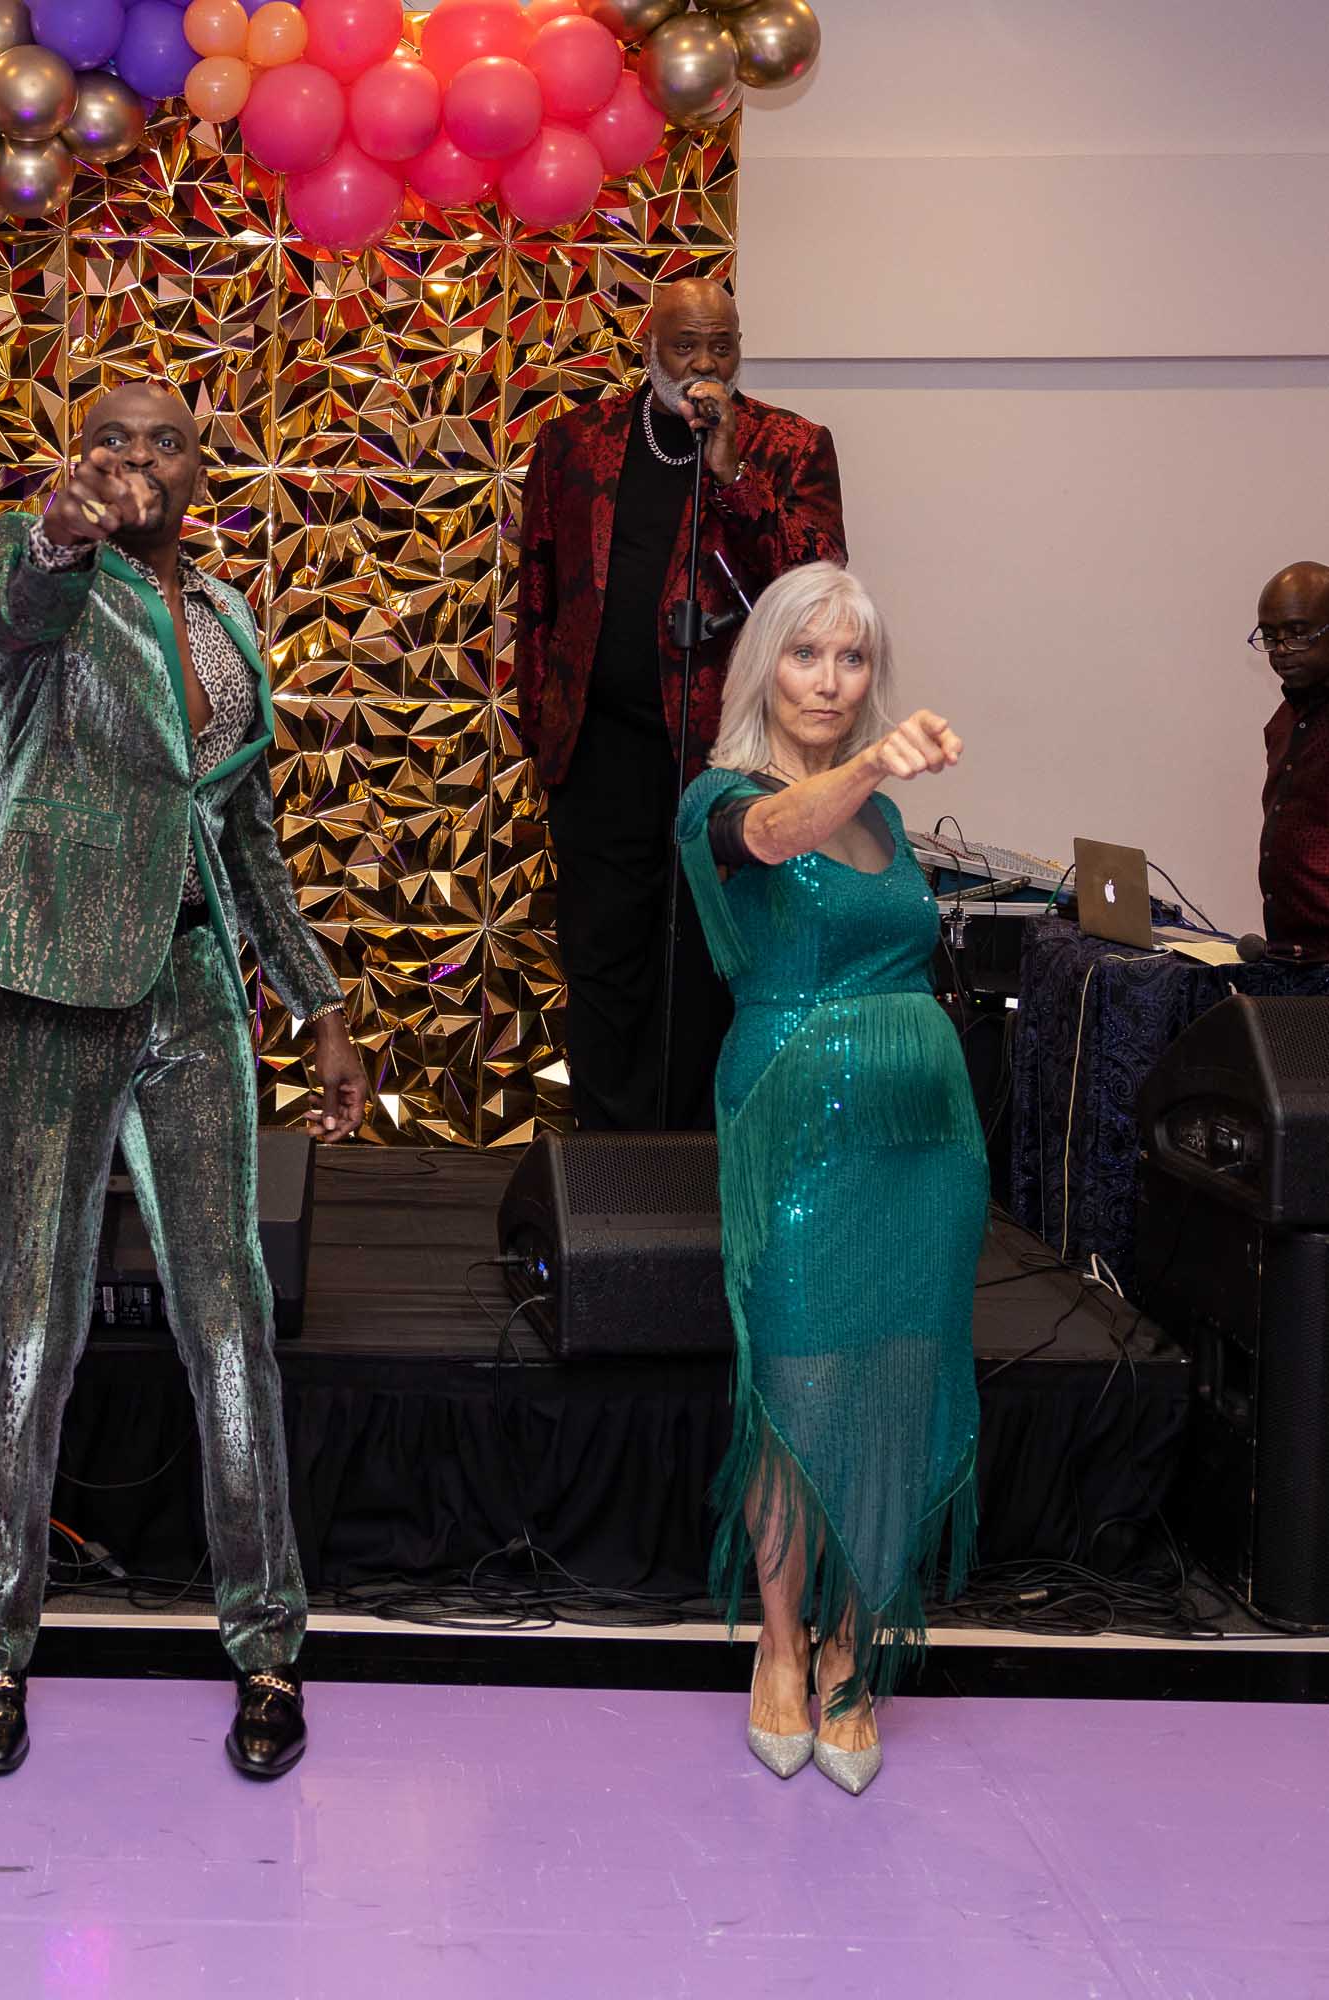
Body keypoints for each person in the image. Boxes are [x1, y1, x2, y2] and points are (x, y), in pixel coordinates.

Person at [0, 382, 368, 1782]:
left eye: (163, 441)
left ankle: (268, 1647)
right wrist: (61, 525)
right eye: (109, 439)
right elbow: (13, 589)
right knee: (34, 1317)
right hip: (46, 985)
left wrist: (319, 1006)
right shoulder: (49, 576)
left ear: (202, 466)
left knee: (230, 1313)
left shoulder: (229, 621)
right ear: (78, 460)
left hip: (192, 985)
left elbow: (243, 831)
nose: (135, 458)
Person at [672, 562, 982, 1796]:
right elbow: (773, 833)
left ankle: (855, 1643)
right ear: (764, 669)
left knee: (896, 1377)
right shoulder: (720, 797)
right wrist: (863, 768)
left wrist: (870, 782)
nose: (831, 680)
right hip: (796, 1135)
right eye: (806, 654)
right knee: (796, 1383)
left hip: (926, 1146)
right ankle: (781, 1643)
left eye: (853, 659)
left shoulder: (890, 825)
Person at [516, 279, 848, 1131]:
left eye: (721, 346)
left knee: (710, 966)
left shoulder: (791, 445)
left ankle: (698, 1167)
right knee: (603, 963)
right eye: (686, 346)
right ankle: (610, 1165)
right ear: (648, 348)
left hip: (729, 761)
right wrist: (543, 729)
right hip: (599, 754)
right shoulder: (573, 442)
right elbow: (539, 592)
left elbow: (819, 588)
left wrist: (733, 474)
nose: (705, 364)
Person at [1253, 561, 1329, 954]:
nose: (1281, 650)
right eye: (1270, 636)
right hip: (1291, 955)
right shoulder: (1283, 722)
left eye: (1297, 634)